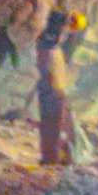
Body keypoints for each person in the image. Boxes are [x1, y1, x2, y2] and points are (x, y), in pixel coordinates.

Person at [33, 13, 77, 168]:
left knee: (56, 125)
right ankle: (51, 157)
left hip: (55, 90)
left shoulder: (51, 44)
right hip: (51, 91)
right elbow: (48, 69)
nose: (66, 33)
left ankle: (55, 156)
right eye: (65, 29)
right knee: (52, 125)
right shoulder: (47, 45)